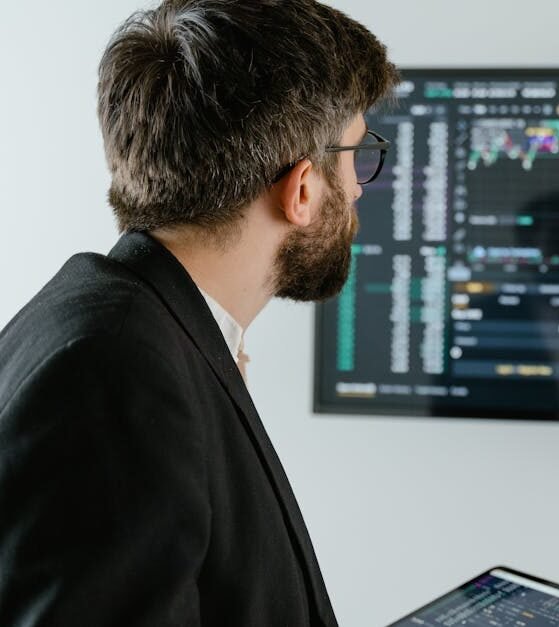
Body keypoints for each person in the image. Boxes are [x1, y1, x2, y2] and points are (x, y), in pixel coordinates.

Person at [0, 1, 399, 625]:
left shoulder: (144, 332)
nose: (357, 187)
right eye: (356, 156)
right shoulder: (119, 373)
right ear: (301, 190)